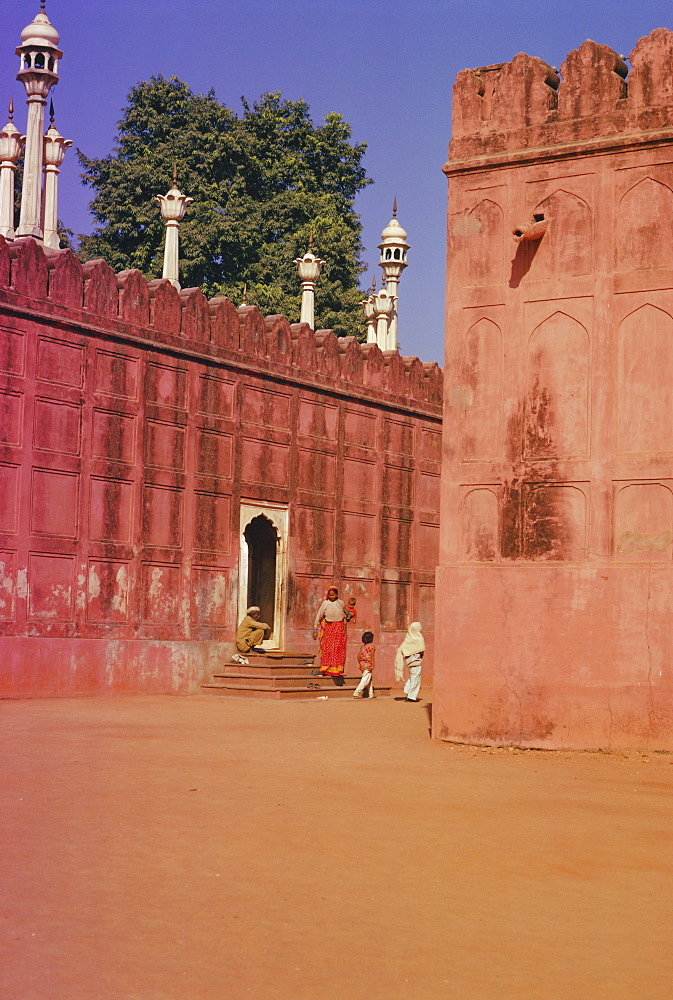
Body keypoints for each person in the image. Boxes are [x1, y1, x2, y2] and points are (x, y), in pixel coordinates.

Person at [312, 587, 350, 677]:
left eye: (333, 595)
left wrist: (348, 616)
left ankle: (336, 670)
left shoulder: (340, 603)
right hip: (329, 628)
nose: (331, 597)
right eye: (330, 595)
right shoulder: (325, 603)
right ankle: (325, 668)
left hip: (339, 628)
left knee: (337, 649)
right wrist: (315, 629)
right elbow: (319, 615)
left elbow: (347, 612)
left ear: (337, 595)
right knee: (328, 649)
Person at [394, 622, 425, 702]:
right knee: (416, 679)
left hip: (409, 663)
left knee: (412, 677)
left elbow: (402, 650)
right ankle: (411, 696)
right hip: (417, 662)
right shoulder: (419, 638)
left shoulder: (408, 639)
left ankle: (408, 690)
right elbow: (421, 651)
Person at [353, 630, 376, 699]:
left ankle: (371, 693)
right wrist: (373, 664)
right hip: (368, 664)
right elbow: (372, 656)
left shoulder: (362, 647)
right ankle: (357, 692)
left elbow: (358, 656)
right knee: (365, 680)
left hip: (363, 665)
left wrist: (360, 663)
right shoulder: (372, 646)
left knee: (369, 679)